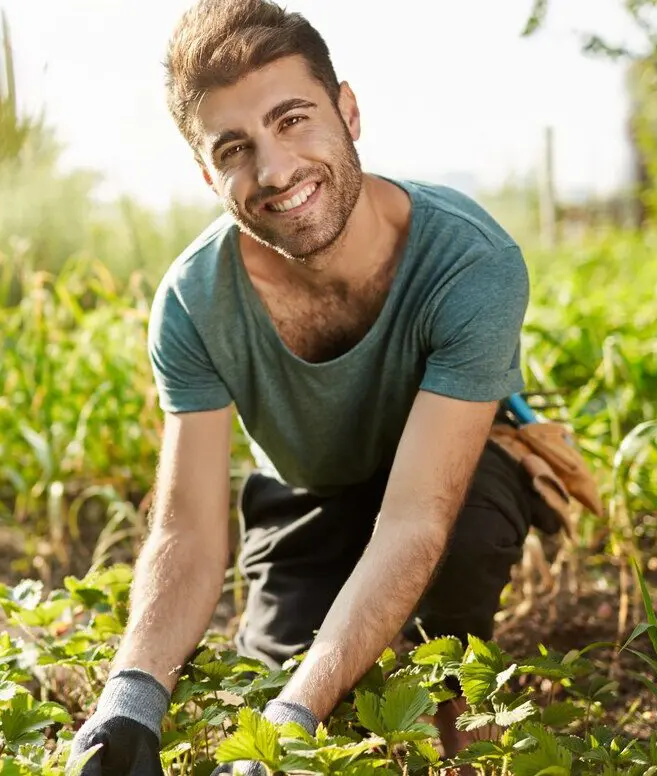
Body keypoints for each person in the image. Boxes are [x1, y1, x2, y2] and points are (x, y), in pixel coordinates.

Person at [65, 1, 566, 773]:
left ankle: (460, 708)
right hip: (305, 496)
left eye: (293, 119)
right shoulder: (196, 300)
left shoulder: (470, 262)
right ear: (207, 173)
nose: (274, 171)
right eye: (235, 148)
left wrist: (297, 712)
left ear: (349, 110)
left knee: (434, 581)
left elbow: (414, 520)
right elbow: (188, 531)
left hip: (444, 485)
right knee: (276, 689)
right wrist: (128, 702)